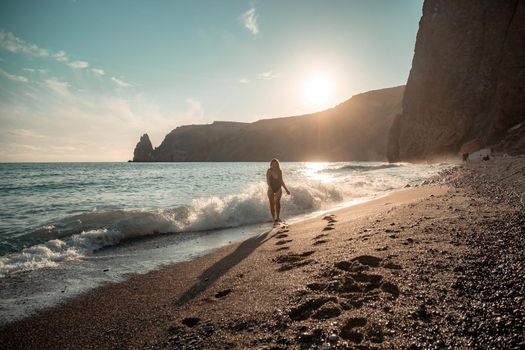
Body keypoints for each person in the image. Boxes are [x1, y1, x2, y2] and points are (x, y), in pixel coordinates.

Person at [266, 158, 290, 224]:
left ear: (277, 165)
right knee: (271, 203)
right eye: (273, 164)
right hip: (271, 188)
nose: (274, 165)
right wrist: (270, 188)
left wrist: (286, 189)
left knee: (277, 202)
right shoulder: (269, 171)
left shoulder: (279, 171)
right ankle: (273, 218)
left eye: (275, 164)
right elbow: (268, 180)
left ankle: (278, 217)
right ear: (271, 164)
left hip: (278, 188)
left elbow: (281, 181)